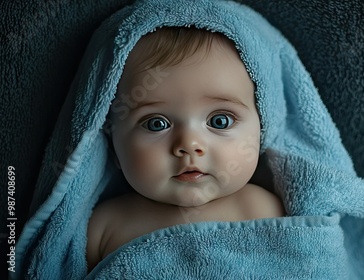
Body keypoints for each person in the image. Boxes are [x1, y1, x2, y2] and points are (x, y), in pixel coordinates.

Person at [86, 27, 285, 271]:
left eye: (219, 121)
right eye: (156, 124)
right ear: (113, 145)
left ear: (262, 128)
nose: (189, 145)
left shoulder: (263, 209)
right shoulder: (104, 226)